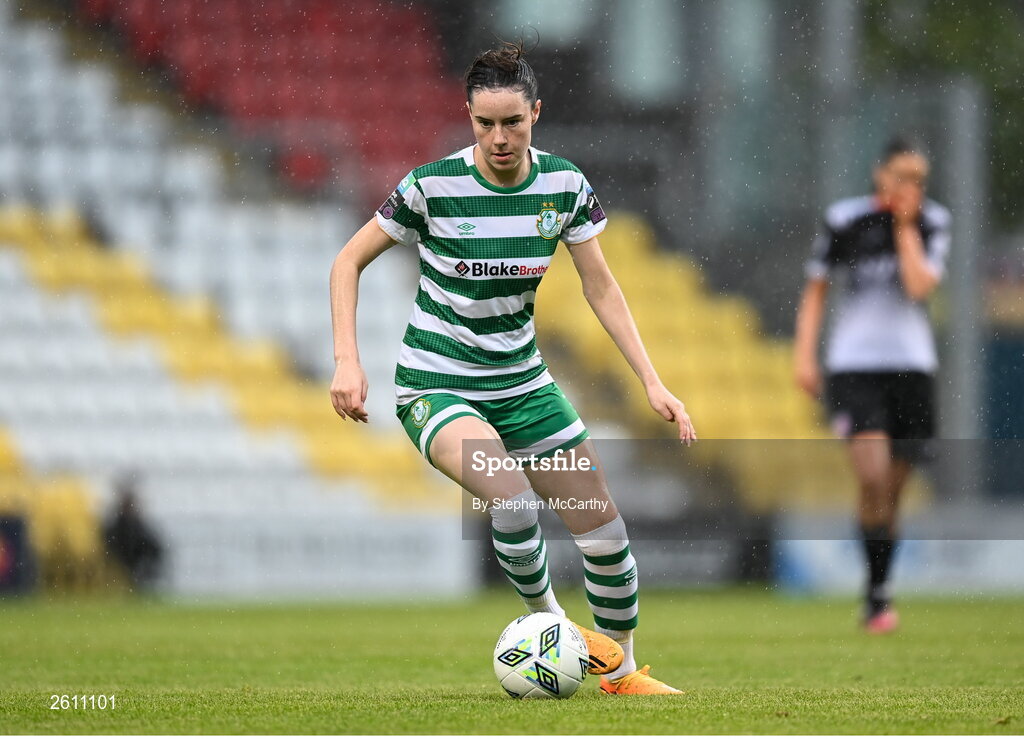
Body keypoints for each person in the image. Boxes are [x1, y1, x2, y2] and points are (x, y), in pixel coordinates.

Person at [329, 40, 696, 695]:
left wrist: (652, 379)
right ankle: (559, 635)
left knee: (606, 532)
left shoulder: (563, 186)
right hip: (436, 386)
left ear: (536, 114)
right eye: (484, 123)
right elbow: (346, 261)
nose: (498, 137)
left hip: (524, 387)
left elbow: (602, 286)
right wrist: (348, 362)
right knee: (511, 498)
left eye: (512, 122)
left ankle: (624, 673)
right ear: (468, 117)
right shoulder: (430, 186)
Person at [793, 137, 951, 633]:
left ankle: (877, 592)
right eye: (902, 175)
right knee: (873, 475)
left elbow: (919, 286)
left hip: (912, 367)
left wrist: (905, 226)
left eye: (919, 179)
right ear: (880, 173)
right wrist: (805, 356)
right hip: (855, 366)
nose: (912, 187)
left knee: (896, 489)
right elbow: (816, 289)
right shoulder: (845, 219)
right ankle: (879, 593)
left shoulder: (933, 222)